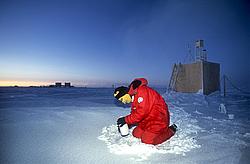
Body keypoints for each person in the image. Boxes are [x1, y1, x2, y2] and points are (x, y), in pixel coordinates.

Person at [114, 78, 177, 145]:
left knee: (147, 140)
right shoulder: (135, 96)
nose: (123, 102)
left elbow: (142, 112)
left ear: (125, 94)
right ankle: (150, 132)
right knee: (136, 134)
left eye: (122, 99)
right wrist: (127, 123)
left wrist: (126, 119)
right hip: (147, 120)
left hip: (158, 120)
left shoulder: (142, 91)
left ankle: (171, 130)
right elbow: (136, 113)